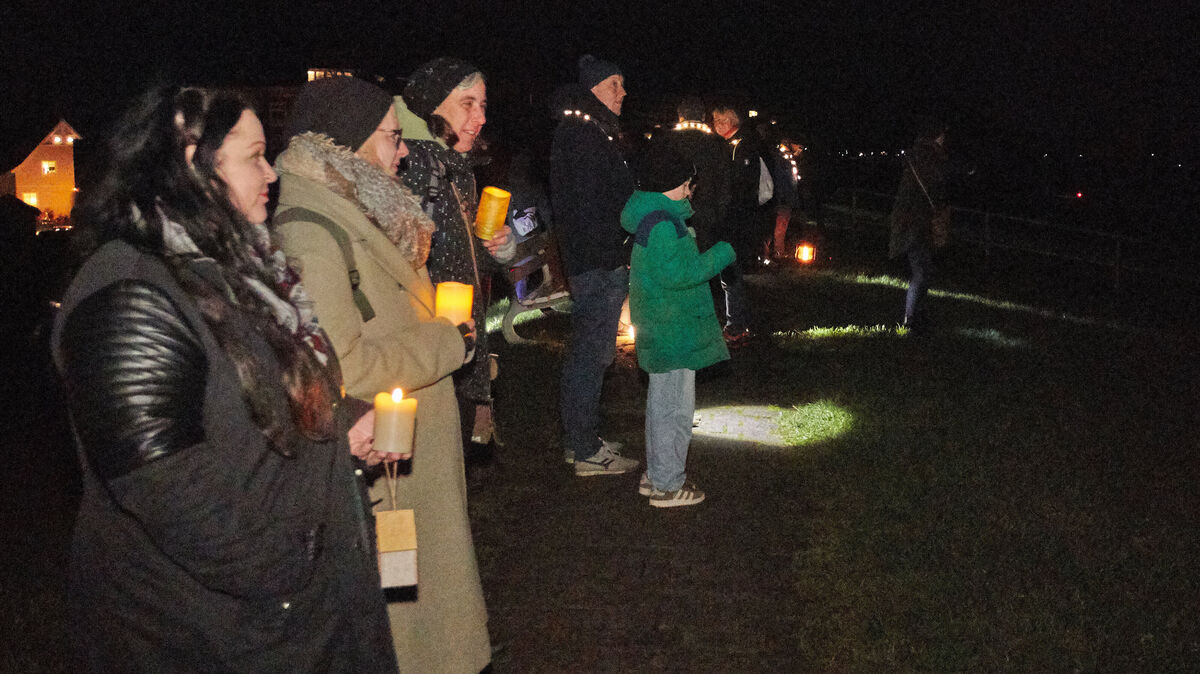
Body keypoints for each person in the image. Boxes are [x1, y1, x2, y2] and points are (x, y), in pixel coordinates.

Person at [52, 86, 395, 672]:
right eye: (255, 155)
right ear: (191, 161)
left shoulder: (231, 269)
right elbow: (165, 484)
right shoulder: (131, 295)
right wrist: (293, 568)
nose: (271, 173)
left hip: (286, 613)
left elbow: (248, 398)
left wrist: (340, 424)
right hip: (214, 630)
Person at [272, 76, 491, 674]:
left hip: (410, 455)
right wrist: (449, 344)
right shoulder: (312, 234)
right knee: (407, 629)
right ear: (345, 147)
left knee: (426, 615)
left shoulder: (357, 214)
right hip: (385, 462)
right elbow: (346, 367)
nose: (402, 152)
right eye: (393, 138)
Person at [397, 58, 515, 451]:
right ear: (433, 106)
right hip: (429, 350)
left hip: (457, 344)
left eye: (483, 105)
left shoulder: (451, 166)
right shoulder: (415, 167)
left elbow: (460, 257)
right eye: (468, 104)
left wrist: (497, 248)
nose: (480, 117)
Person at [620, 144, 735, 507]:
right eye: (687, 184)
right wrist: (722, 253)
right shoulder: (662, 224)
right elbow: (679, 274)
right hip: (672, 329)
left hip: (665, 327)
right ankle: (668, 484)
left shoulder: (654, 218)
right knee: (675, 410)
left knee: (662, 406)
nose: (690, 190)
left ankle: (657, 474)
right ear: (669, 185)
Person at [550, 54, 640, 475]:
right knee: (591, 354)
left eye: (622, 85)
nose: (622, 93)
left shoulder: (590, 131)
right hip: (598, 263)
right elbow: (592, 207)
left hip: (597, 260)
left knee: (593, 353)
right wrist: (615, 253)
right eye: (613, 85)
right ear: (593, 90)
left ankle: (582, 439)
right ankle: (585, 449)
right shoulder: (583, 135)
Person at [888, 116, 965, 333]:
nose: (945, 139)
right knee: (921, 272)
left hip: (916, 222)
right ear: (937, 135)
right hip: (916, 224)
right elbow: (936, 184)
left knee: (924, 271)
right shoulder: (928, 158)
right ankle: (911, 320)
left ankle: (917, 316)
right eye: (943, 134)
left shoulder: (923, 156)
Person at [711, 104, 771, 345]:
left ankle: (736, 324)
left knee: (731, 272)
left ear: (732, 122)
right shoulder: (730, 146)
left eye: (722, 121)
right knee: (729, 273)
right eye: (715, 121)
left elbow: (740, 188)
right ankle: (736, 321)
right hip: (734, 219)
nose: (718, 126)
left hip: (736, 220)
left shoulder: (741, 147)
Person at [657, 96, 730, 254]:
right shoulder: (717, 143)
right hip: (708, 213)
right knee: (705, 261)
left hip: (674, 212)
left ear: (680, 115)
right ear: (703, 116)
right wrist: (721, 214)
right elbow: (725, 182)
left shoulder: (666, 140)